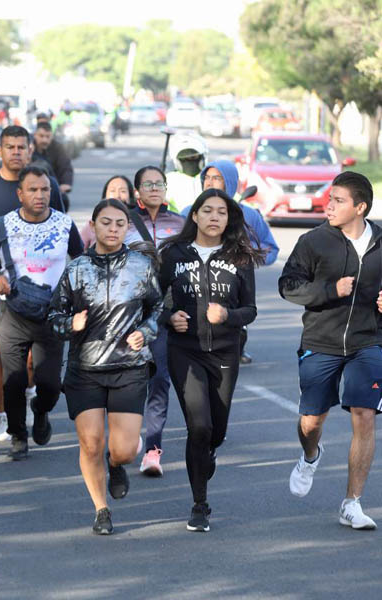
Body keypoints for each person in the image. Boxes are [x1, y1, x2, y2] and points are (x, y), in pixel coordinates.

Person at [48, 199, 162, 535]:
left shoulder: (142, 266)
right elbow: (53, 318)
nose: (113, 229)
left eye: (119, 224)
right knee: (91, 443)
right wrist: (72, 325)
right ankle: (101, 509)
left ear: (127, 228)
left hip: (129, 366)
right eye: (106, 223)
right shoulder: (77, 269)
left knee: (124, 450)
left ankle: (116, 465)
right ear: (93, 225)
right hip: (86, 369)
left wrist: (145, 332)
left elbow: (158, 309)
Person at [279, 171, 380, 531]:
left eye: (338, 200)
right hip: (320, 342)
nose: (329, 204)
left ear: (360, 207)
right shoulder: (314, 241)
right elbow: (288, 286)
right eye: (330, 198)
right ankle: (310, 455)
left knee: (364, 414)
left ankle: (352, 503)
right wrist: (329, 290)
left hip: (369, 342)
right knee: (312, 421)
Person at [159, 188, 262, 532]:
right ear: (195, 215)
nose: (215, 217)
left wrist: (228, 316)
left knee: (215, 431)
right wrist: (168, 317)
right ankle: (199, 503)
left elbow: (250, 310)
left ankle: (209, 451)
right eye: (208, 210)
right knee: (198, 426)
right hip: (184, 351)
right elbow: (152, 302)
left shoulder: (240, 257)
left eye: (222, 212)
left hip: (224, 352)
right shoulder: (173, 254)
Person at [0, 125, 65, 441]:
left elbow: (60, 232)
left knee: (32, 360)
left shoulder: (47, 185)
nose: (16, 152)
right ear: (1, 150)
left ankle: (30, 399)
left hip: (40, 288)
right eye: (10, 147)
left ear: (30, 149)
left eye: (22, 146)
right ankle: (5, 416)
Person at [0, 166, 83, 460]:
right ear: (20, 193)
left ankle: (41, 411)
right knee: (14, 380)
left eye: (45, 190)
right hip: (13, 313)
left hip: (51, 316)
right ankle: (19, 436)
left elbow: (80, 262)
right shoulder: (1, 225)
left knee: (49, 384)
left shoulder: (65, 224)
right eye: (33, 189)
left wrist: (75, 298)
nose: (40, 195)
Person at [124, 166, 186, 477]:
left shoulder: (179, 223)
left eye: (159, 183)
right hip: (126, 313)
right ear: (137, 191)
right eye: (147, 184)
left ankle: (152, 448)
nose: (154, 188)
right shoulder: (123, 221)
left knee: (159, 380)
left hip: (163, 312)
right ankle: (130, 432)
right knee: (129, 379)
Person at [194, 159, 279, 365]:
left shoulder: (249, 215)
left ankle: (235, 349)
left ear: (230, 183)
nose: (210, 182)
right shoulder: (191, 212)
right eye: (207, 178)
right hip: (195, 283)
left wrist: (246, 256)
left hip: (233, 288)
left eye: (217, 178)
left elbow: (271, 249)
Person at [165, 133, 208, 213]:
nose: (189, 160)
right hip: (178, 224)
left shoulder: (210, 177)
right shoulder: (168, 179)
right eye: (184, 158)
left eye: (193, 157)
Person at [32, 122, 73, 196]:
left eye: (48, 136)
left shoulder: (57, 147)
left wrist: (66, 183)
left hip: (53, 186)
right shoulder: (29, 148)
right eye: (41, 136)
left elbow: (65, 166)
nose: (44, 140)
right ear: (35, 135)